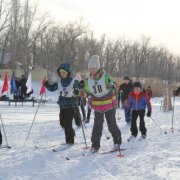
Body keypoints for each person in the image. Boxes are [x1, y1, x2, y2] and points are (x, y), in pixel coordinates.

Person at [82, 55, 122, 153]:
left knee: (111, 124)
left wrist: (111, 85)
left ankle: (117, 142)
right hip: (98, 106)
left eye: (94, 68)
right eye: (90, 68)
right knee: (97, 126)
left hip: (109, 104)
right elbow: (87, 92)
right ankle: (95, 145)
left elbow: (115, 86)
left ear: (98, 67)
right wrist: (80, 93)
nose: (92, 70)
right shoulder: (89, 80)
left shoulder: (105, 76)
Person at [45, 63, 82, 145]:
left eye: (64, 72)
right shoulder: (59, 81)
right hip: (62, 106)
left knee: (68, 124)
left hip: (71, 106)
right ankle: (71, 133)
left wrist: (77, 91)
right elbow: (52, 88)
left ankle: (69, 141)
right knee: (62, 123)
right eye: (61, 72)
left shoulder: (73, 81)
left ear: (68, 72)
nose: (62, 74)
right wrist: (46, 83)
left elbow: (80, 89)